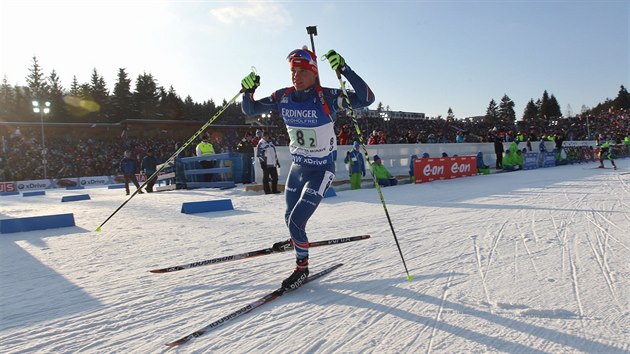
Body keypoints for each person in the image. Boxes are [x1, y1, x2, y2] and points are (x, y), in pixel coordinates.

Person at [241, 46, 375, 291]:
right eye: (294, 71)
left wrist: (344, 69)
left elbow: (367, 99)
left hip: (321, 171)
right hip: (298, 167)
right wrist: (248, 90)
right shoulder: (283, 96)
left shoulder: (327, 97)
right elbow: (250, 110)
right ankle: (297, 240)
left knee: (296, 221)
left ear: (314, 73)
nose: (297, 76)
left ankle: (302, 269)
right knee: (288, 217)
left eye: (303, 71)